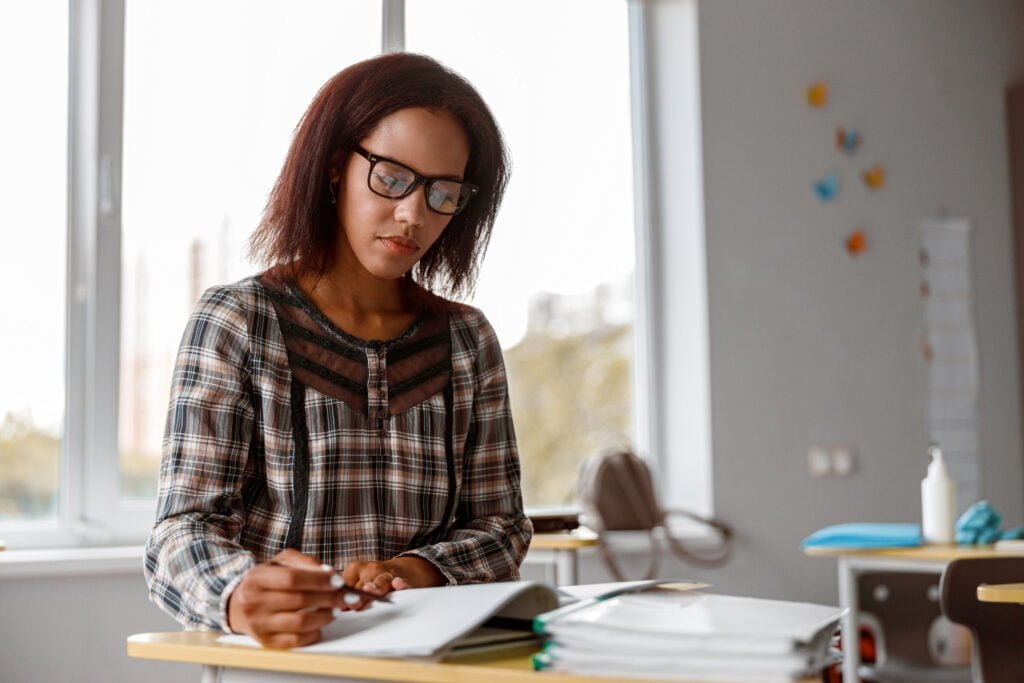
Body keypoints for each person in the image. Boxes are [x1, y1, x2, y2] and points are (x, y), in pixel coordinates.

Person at [144, 53, 533, 649]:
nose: (413, 214)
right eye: (393, 178)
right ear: (334, 169)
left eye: (443, 192)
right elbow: (181, 530)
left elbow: (502, 527)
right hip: (285, 664)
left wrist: (418, 570)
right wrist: (240, 595)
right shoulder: (238, 320)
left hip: (431, 663)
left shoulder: (467, 340)